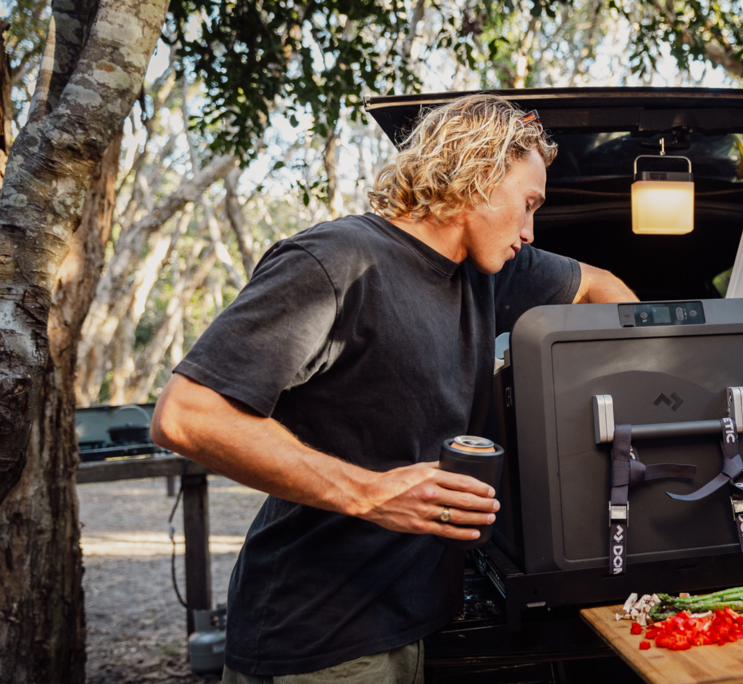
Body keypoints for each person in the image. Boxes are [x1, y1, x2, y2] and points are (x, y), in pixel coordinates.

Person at [151, 94, 636, 683]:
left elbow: (601, 286)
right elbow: (187, 416)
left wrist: (630, 397)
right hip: (323, 634)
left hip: (413, 620)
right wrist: (370, 493)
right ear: (478, 176)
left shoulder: (488, 271)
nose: (530, 231)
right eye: (527, 203)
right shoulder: (337, 261)